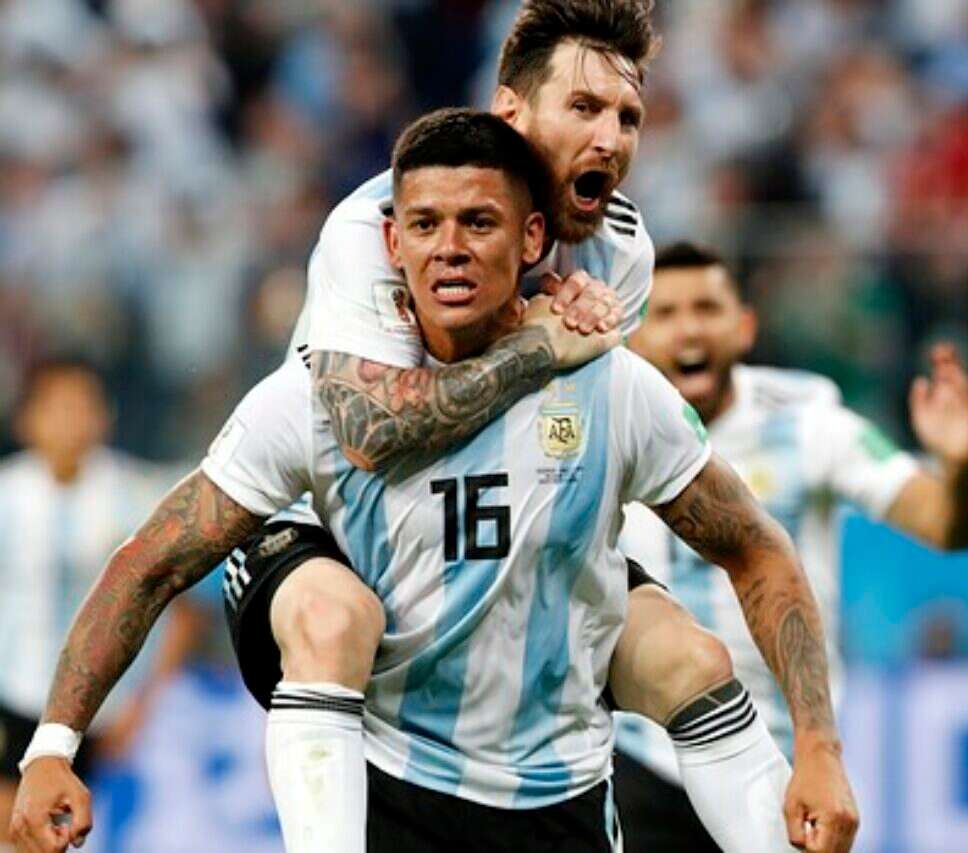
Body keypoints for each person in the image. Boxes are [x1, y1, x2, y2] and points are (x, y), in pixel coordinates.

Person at [11, 109, 858, 853]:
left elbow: (755, 547)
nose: (449, 247)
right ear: (392, 242)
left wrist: (817, 746)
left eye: (479, 221)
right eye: (425, 223)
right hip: (390, 769)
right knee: (329, 613)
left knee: (691, 656)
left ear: (533, 239)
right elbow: (150, 563)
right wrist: (54, 745)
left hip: (551, 783)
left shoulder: (610, 386)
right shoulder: (327, 396)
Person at [221, 1, 797, 849]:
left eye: (627, 117)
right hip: (337, 522)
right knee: (332, 621)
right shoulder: (370, 227)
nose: (608, 139)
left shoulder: (620, 253)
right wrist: (535, 346)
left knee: (692, 658)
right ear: (511, 112)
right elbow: (369, 436)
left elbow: (572, 423)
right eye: (584, 108)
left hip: (481, 521)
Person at [614, 243, 968, 850]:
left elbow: (950, 525)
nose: (689, 329)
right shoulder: (609, 419)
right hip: (642, 758)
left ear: (744, 326)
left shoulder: (807, 422)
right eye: (666, 313)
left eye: (706, 308)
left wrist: (963, 467)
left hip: (784, 762)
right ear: (633, 336)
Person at [0, 358, 206, 852]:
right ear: (27, 418)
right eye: (56, 407)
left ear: (103, 415)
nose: (69, 421)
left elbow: (184, 609)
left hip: (104, 707)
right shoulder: (7, 496)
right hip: (15, 693)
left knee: (85, 833)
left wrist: (143, 704)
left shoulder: (136, 497)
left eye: (81, 406)